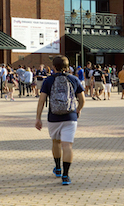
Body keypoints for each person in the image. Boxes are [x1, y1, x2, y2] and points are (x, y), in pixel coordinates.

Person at [35, 55, 86, 186]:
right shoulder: (74, 79)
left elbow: (41, 100)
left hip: (54, 117)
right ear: (67, 66)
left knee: (56, 142)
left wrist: (38, 118)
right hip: (70, 117)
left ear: (53, 67)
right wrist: (78, 110)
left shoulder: (48, 81)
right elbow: (82, 99)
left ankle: (58, 168)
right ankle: (66, 175)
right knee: (67, 146)